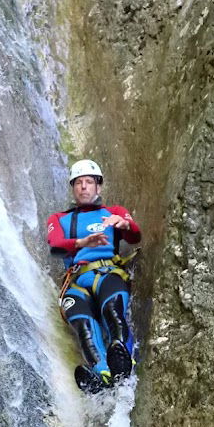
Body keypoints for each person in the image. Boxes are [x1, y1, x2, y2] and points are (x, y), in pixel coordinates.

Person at [47, 160, 141, 394]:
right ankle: (103, 373)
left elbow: (135, 236)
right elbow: (55, 245)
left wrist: (125, 224)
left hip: (107, 273)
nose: (84, 187)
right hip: (77, 282)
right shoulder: (59, 219)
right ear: (73, 188)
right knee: (84, 326)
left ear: (98, 187)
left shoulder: (113, 213)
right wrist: (81, 243)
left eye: (89, 182)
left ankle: (123, 360)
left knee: (112, 311)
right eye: (78, 183)